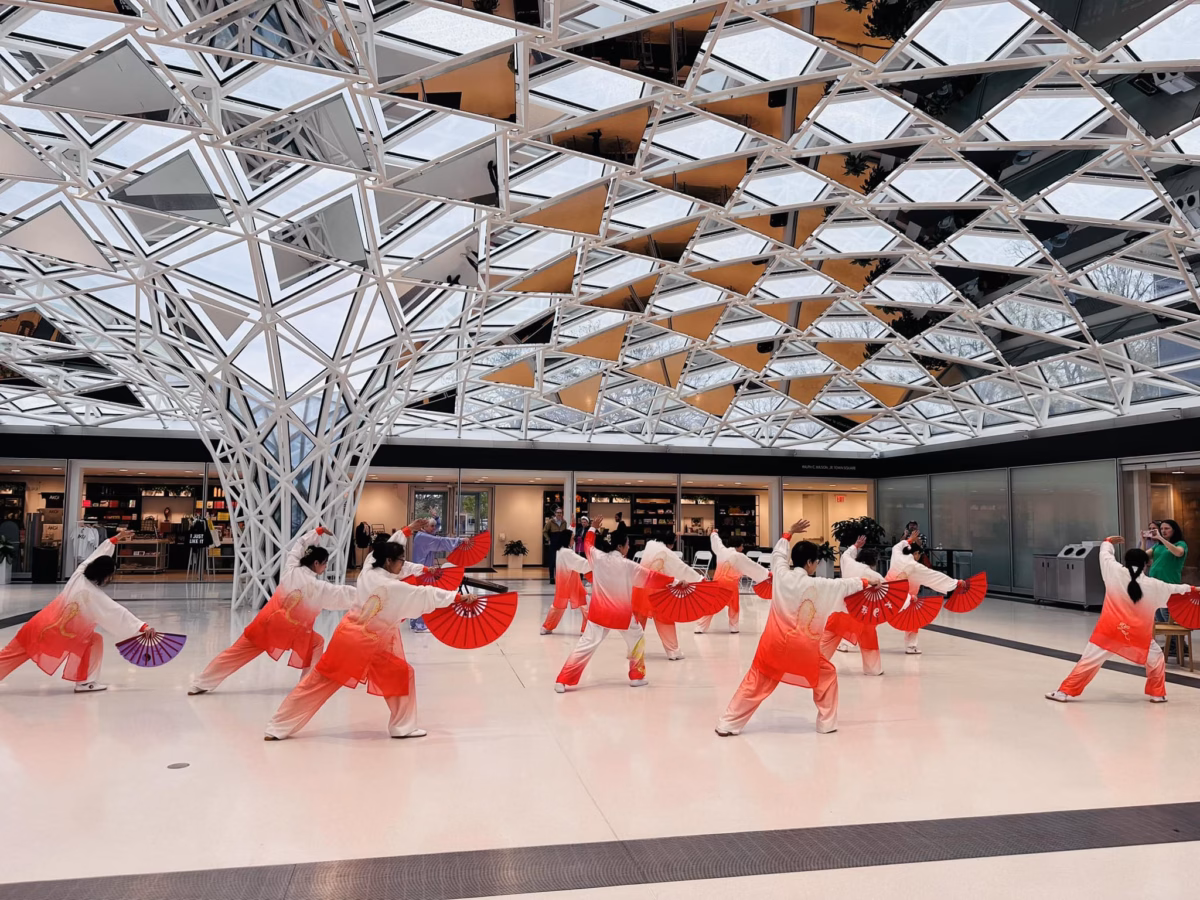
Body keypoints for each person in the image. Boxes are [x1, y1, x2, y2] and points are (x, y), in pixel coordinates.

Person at [264, 540, 458, 740]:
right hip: (365, 644)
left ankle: (276, 727)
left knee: (319, 684)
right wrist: (457, 598)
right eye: (401, 560)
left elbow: (383, 558)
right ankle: (402, 726)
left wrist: (408, 532)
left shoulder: (367, 571)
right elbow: (425, 594)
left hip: (350, 639)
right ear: (389, 561)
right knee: (399, 675)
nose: (403, 564)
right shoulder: (392, 587)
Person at [715, 524, 878, 736]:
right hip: (804, 650)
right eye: (816, 562)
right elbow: (846, 585)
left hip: (773, 645)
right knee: (826, 676)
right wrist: (868, 581)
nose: (817, 565)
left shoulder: (781, 576)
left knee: (755, 682)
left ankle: (727, 724)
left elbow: (778, 554)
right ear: (810, 563)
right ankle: (826, 724)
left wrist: (787, 534)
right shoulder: (821, 585)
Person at [188, 528, 357, 695]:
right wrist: (365, 594)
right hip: (292, 632)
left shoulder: (290, 568)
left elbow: (299, 545)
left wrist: (317, 532)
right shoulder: (318, 588)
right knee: (316, 644)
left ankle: (200, 683)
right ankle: (306, 685)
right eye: (325, 563)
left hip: (266, 624)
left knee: (234, 654)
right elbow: (342, 593)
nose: (326, 567)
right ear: (316, 564)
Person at [0, 530, 157, 693]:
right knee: (93, 641)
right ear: (105, 575)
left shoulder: (79, 575)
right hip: (58, 635)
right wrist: (142, 627)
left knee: (9, 655)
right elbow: (117, 613)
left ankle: (85, 681)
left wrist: (114, 540)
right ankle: (85, 682)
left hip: (39, 624)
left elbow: (95, 556)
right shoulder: (94, 595)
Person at [1047, 536, 1197, 704]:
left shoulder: (1114, 571)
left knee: (1089, 661)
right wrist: (1194, 589)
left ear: (1126, 561)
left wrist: (1108, 541)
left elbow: (1105, 554)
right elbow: (1177, 590)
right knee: (1156, 658)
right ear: (1147, 564)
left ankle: (1063, 692)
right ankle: (1157, 694)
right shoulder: (1155, 585)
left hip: (1109, 630)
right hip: (1138, 635)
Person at [553, 534, 654, 691]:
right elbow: (652, 578)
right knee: (637, 638)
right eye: (627, 544)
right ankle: (637, 676)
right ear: (620, 547)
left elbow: (587, 544)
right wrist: (675, 582)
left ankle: (563, 680)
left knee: (586, 644)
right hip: (622, 615)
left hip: (599, 613)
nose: (629, 547)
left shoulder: (598, 558)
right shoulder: (629, 565)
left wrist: (593, 528)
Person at [887, 526, 958, 654]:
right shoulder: (915, 566)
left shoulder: (897, 555)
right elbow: (935, 577)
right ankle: (911, 646)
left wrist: (909, 540)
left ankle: (847, 641)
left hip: (888, 593)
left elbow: (896, 546)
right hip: (908, 598)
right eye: (919, 554)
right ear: (915, 554)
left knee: (873, 616)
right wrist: (956, 583)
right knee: (912, 621)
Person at [635, 533, 699, 660]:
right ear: (671, 544)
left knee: (638, 621)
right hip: (657, 591)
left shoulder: (650, 545)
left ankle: (634, 651)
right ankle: (673, 651)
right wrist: (699, 579)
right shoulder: (666, 552)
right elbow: (682, 568)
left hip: (640, 587)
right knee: (664, 620)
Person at [827, 538, 885, 676]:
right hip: (863, 613)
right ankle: (873, 669)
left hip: (843, 609)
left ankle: (817, 662)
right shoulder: (872, 574)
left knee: (830, 638)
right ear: (873, 562)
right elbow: (889, 589)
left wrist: (855, 545)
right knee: (869, 640)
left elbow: (846, 554)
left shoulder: (849, 563)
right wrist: (910, 598)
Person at [695, 531, 770, 634]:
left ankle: (700, 627)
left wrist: (714, 533)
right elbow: (753, 566)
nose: (743, 548)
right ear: (738, 546)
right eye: (742, 546)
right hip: (731, 586)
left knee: (711, 606)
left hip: (718, 584)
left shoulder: (722, 551)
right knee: (734, 606)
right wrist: (767, 574)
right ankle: (734, 627)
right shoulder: (739, 556)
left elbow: (717, 542)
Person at [406, 518, 469, 633]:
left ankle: (415, 622)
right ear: (423, 527)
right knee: (424, 596)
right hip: (423, 572)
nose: (434, 528)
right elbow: (440, 541)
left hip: (422, 571)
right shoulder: (423, 537)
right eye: (431, 526)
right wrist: (460, 540)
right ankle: (420, 625)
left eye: (434, 526)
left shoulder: (422, 535)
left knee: (419, 596)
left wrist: (437, 519)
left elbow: (436, 534)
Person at [1144, 520, 1187, 623]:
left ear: (1174, 530)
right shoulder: (1158, 546)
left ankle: (1175, 639)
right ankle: (1170, 638)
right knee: (1158, 614)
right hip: (1155, 583)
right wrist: (1143, 541)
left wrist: (1160, 538)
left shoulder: (1180, 544)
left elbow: (1178, 553)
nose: (1163, 531)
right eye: (1162, 529)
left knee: (1166, 613)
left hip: (1168, 582)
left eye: (1167, 528)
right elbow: (1143, 556)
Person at [543, 507, 571, 585]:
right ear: (555, 513)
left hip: (561, 544)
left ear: (562, 514)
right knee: (552, 561)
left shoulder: (564, 522)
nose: (559, 514)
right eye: (558, 513)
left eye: (560, 513)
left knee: (560, 561)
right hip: (553, 543)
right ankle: (552, 577)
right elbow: (544, 531)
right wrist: (548, 539)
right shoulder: (551, 522)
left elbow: (565, 532)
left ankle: (559, 577)